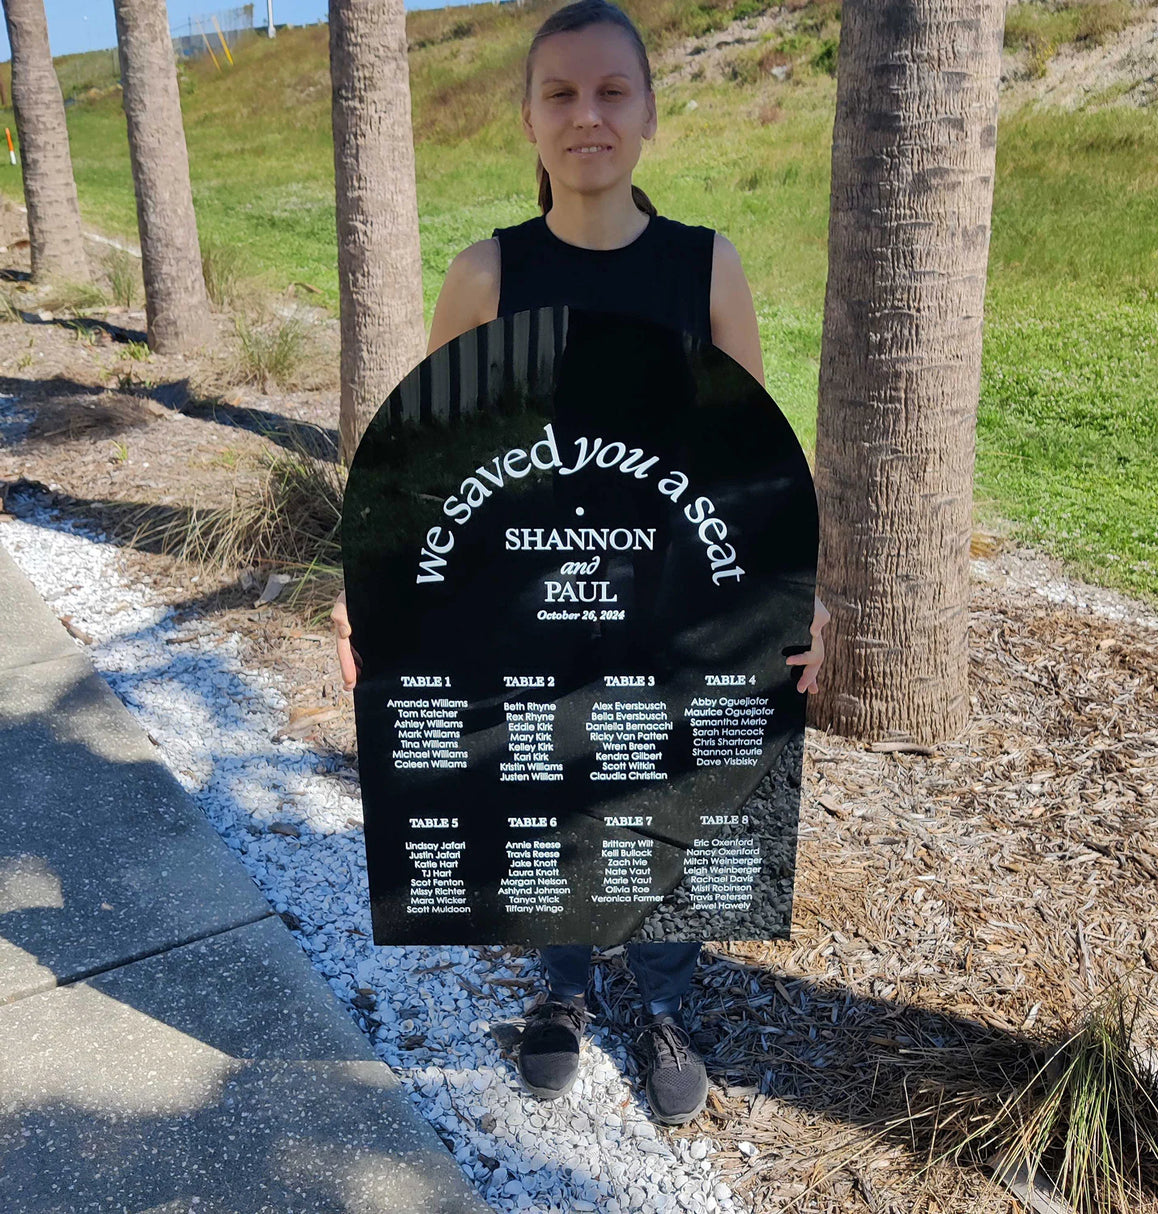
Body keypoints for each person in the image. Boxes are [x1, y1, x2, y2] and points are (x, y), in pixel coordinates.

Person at [331, 0, 830, 1127]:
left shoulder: (706, 265)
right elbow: (434, 462)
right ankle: (560, 986)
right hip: (527, 592)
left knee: (667, 788)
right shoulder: (485, 273)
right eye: (559, 93)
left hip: (676, 599)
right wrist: (367, 596)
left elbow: (751, 460)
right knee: (544, 786)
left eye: (612, 91)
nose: (586, 115)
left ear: (650, 112)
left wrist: (804, 601)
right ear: (527, 118)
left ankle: (660, 1000)